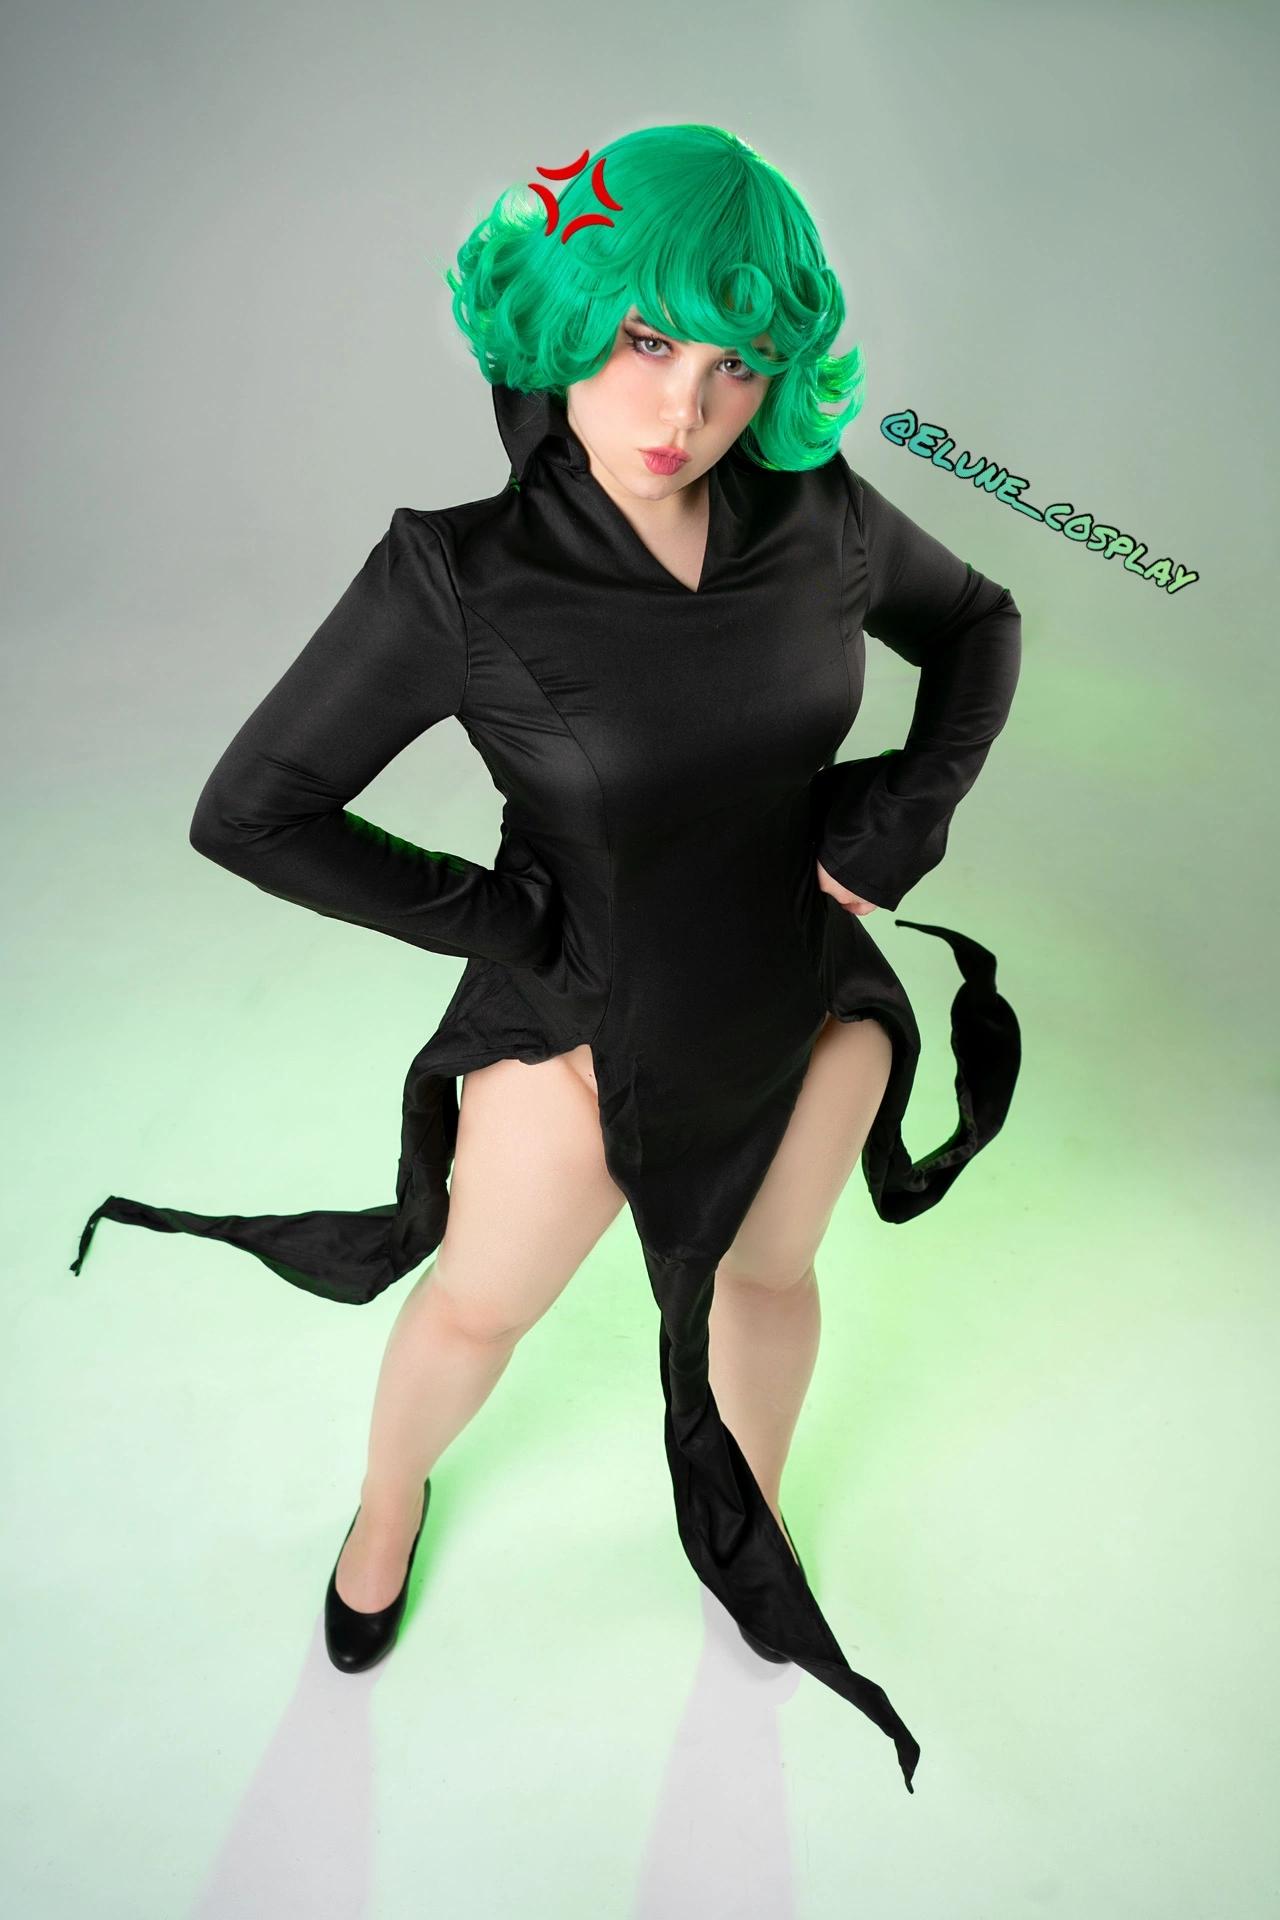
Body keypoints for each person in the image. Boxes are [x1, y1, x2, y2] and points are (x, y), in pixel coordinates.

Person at [70, 123, 1023, 1795]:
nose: (684, 408)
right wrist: (508, 925)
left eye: (734, 364)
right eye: (647, 341)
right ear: (567, 317)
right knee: (478, 1304)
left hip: (804, 999)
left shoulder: (823, 516)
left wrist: (895, 825)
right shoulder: (459, 574)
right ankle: (384, 1510)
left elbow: (981, 624)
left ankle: (749, 1521)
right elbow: (255, 811)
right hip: (580, 1021)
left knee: (769, 1279)